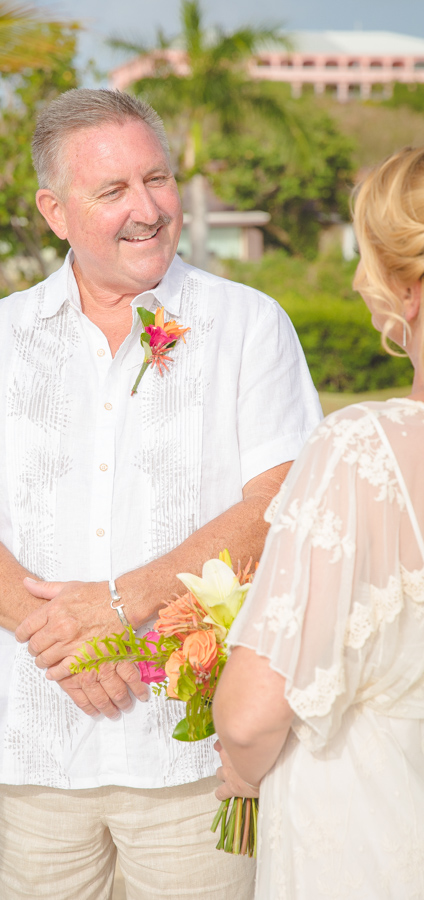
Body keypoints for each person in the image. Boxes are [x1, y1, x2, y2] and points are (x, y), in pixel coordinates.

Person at [0, 88, 322, 899]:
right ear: (53, 211)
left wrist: (118, 602)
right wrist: (64, 634)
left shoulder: (249, 323)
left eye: (156, 179)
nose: (148, 209)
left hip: (197, 748)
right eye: (113, 191)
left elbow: (281, 506)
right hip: (31, 745)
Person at [213, 145, 424, 899]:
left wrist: (239, 764)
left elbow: (250, 712)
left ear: (407, 285)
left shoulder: (362, 447)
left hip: (366, 831)